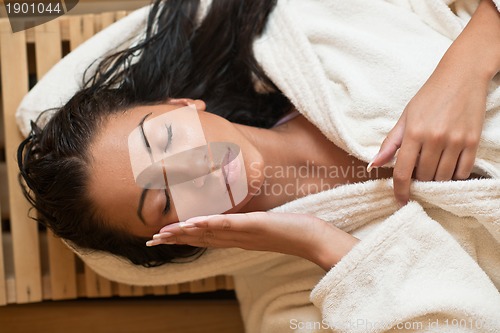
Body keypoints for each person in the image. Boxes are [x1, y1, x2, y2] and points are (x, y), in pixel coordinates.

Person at [16, 0, 500, 331]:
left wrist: (468, 63)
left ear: (182, 103)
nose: (192, 166)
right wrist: (331, 247)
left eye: (164, 137)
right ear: (177, 236)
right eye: (162, 198)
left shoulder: (320, 32)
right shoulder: (288, 303)